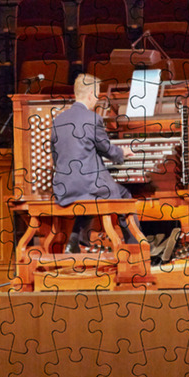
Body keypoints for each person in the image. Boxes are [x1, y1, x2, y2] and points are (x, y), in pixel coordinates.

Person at [50, 74, 139, 252]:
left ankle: (75, 242)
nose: (97, 99)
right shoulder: (92, 119)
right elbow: (107, 149)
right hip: (87, 185)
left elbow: (55, 155)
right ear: (91, 94)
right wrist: (122, 152)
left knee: (89, 192)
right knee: (124, 194)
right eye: (97, 94)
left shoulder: (58, 120)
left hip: (64, 186)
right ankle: (134, 247)